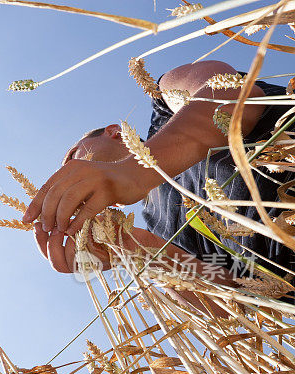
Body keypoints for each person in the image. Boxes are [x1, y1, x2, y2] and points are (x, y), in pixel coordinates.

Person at [22, 60, 295, 296]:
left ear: (114, 131)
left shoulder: (165, 102)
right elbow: (235, 298)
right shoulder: (156, 231)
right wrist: (131, 249)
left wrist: (131, 174)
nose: (71, 176)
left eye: (73, 159)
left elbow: (234, 94)